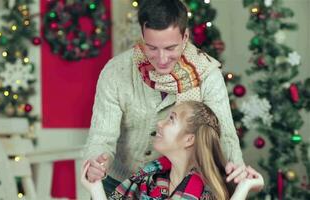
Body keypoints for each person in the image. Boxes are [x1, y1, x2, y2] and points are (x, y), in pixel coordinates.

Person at [84, 0, 247, 194]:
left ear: (185, 37)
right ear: (142, 36)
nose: (161, 59)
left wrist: (236, 168)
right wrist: (97, 162)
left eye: (170, 48)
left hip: (174, 186)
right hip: (116, 182)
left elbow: (224, 135)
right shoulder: (115, 71)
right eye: (152, 47)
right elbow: (101, 137)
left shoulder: (207, 75)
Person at [82, 101, 264, 200]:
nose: (160, 124)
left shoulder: (207, 192)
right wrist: (95, 188)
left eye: (171, 119)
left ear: (189, 139)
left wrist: (245, 186)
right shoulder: (150, 180)